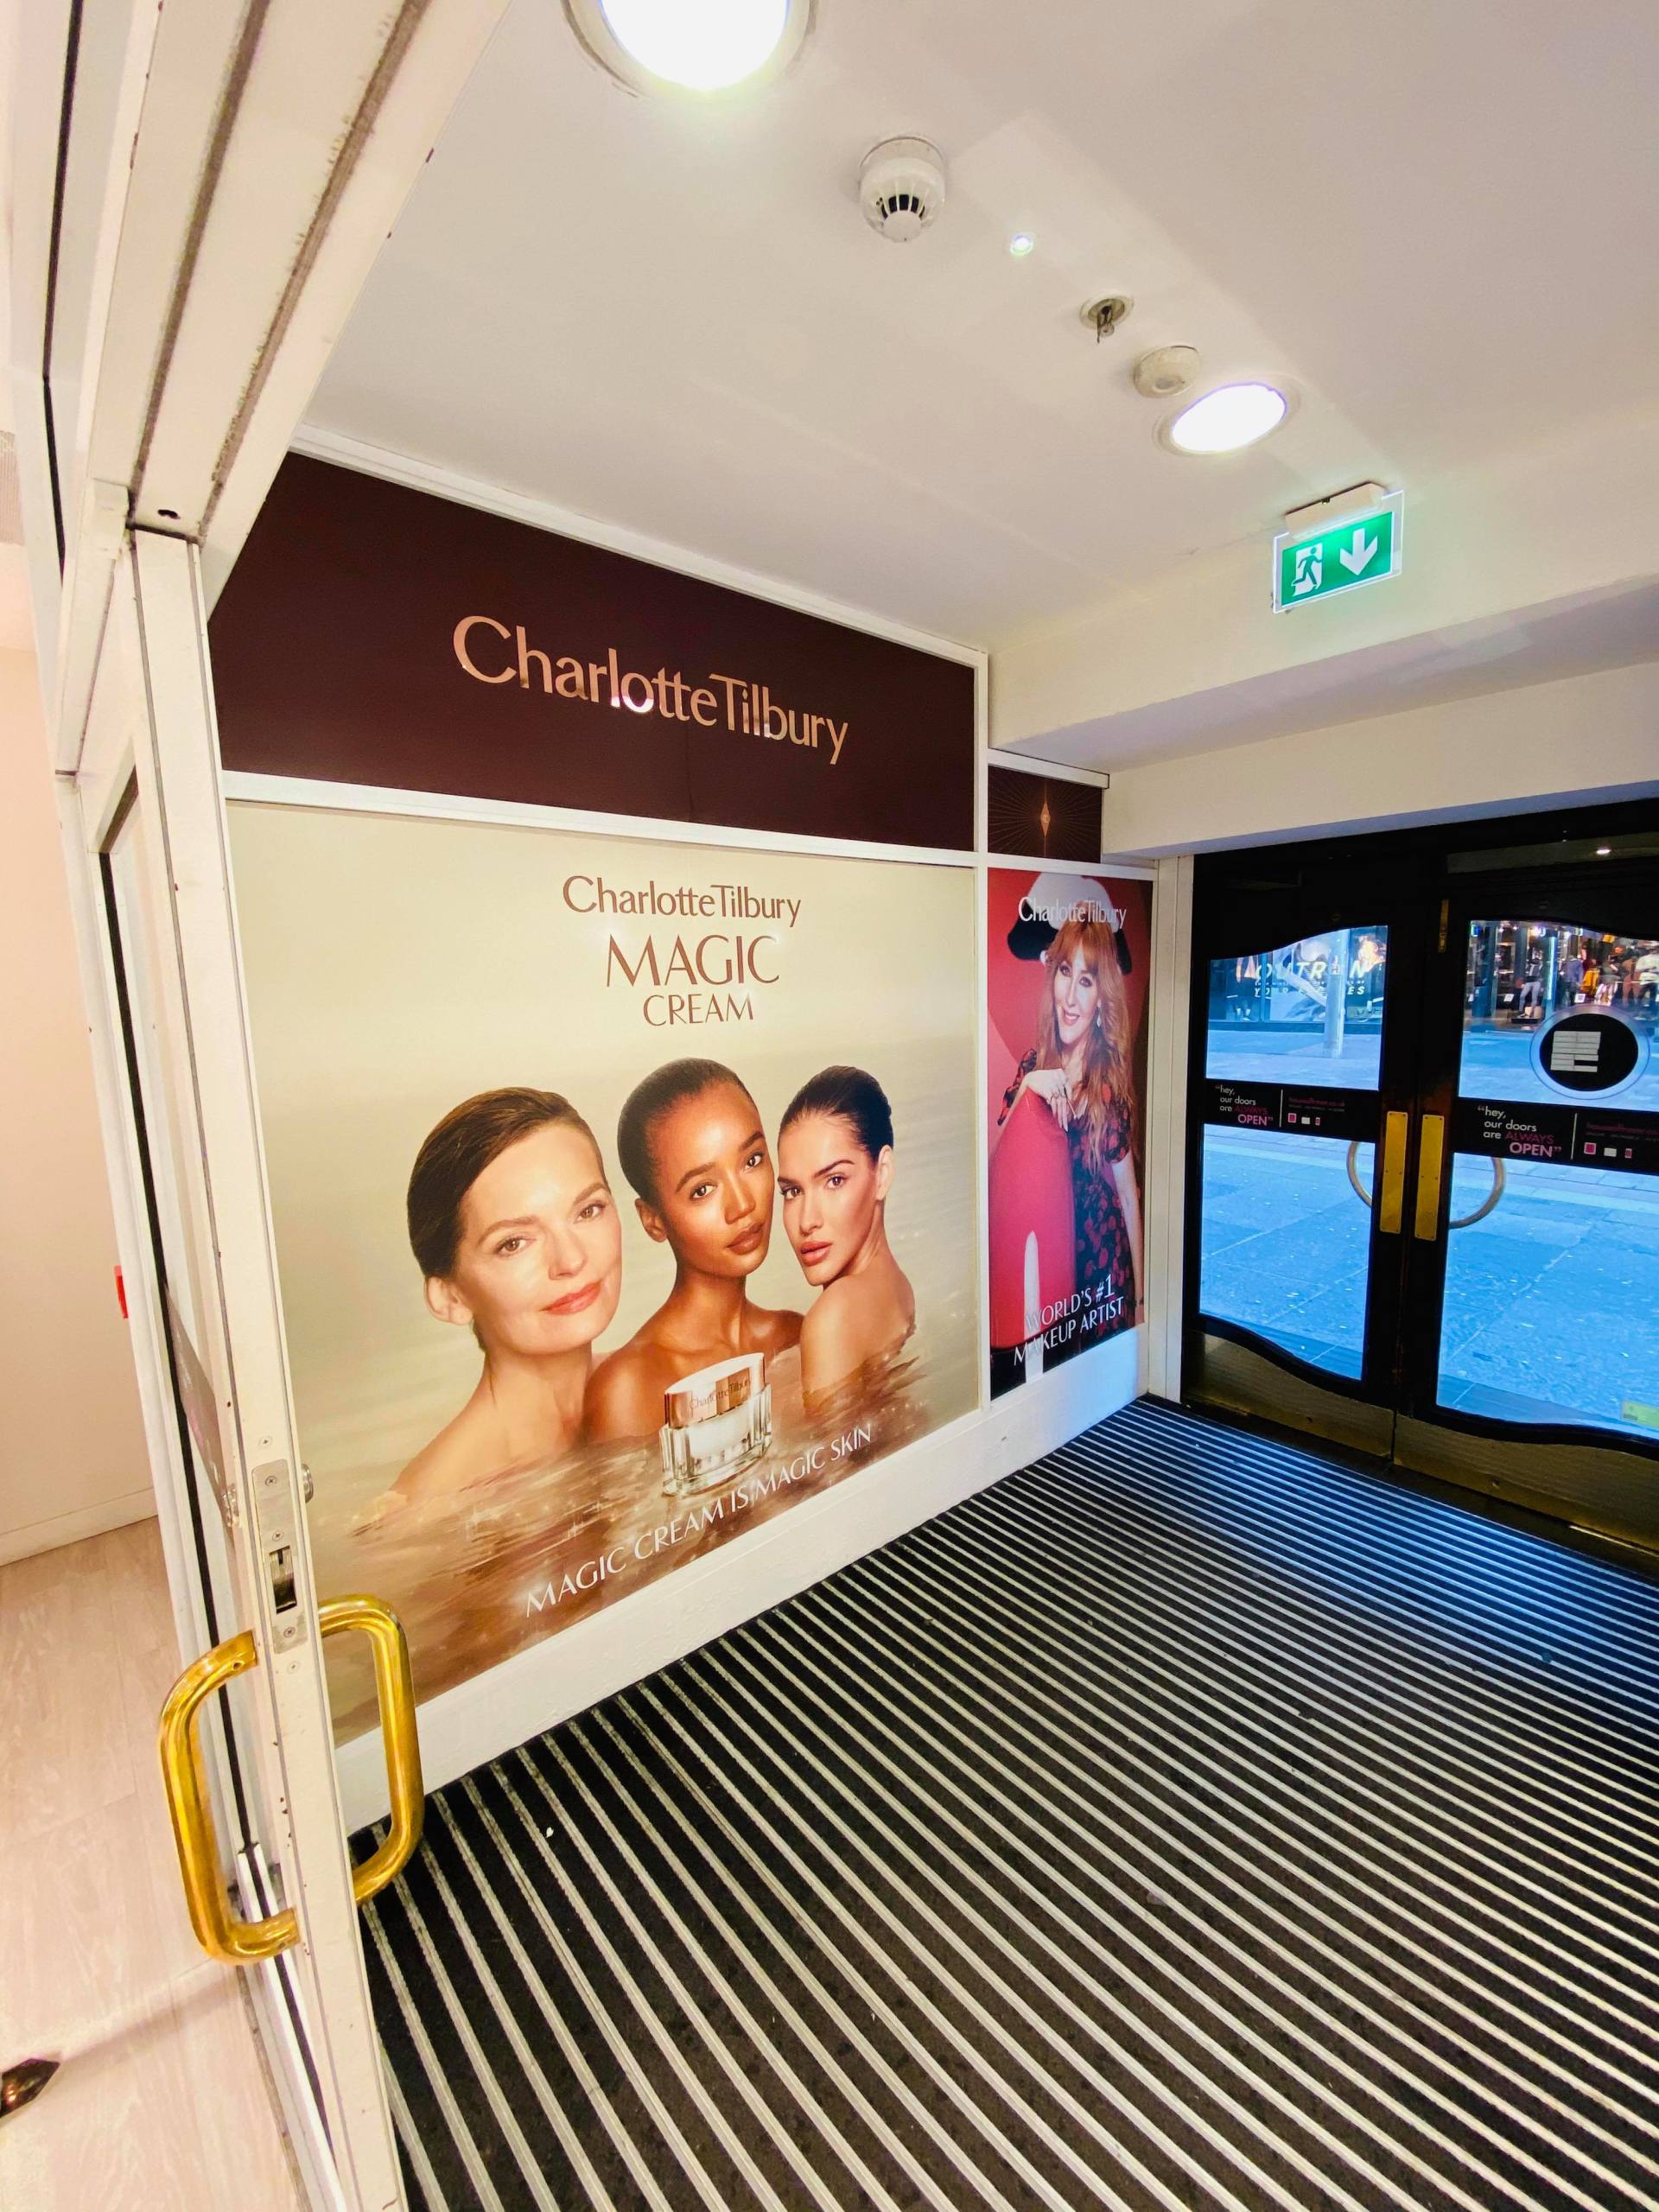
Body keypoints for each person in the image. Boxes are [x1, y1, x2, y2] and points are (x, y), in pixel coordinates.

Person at [395, 1089, 624, 1500]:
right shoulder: (434, 1505)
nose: (571, 1260)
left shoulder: (663, 1388)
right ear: (451, 1297)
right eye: (514, 1243)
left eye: (588, 1210)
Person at [585, 1060, 800, 1440]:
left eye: (752, 1161)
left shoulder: (796, 1336)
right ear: (653, 1220)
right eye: (702, 1189)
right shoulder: (630, 1388)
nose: (742, 1205)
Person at [1001, 912, 1142, 1329]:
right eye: (1065, 972)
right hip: (1048, 1263)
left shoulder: (1108, 1084)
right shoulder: (1033, 1066)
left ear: (1100, 1000)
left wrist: (1142, 1296)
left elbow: (1128, 1196)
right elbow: (998, 1162)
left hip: (1102, 1265)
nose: (1071, 999)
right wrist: (1030, 1086)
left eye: (1086, 981)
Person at [776, 1066, 915, 1402]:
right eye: (793, 1191)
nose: (807, 1221)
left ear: (882, 1174)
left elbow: (827, 1440)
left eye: (834, 1181)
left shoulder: (834, 1315)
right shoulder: (898, 1288)